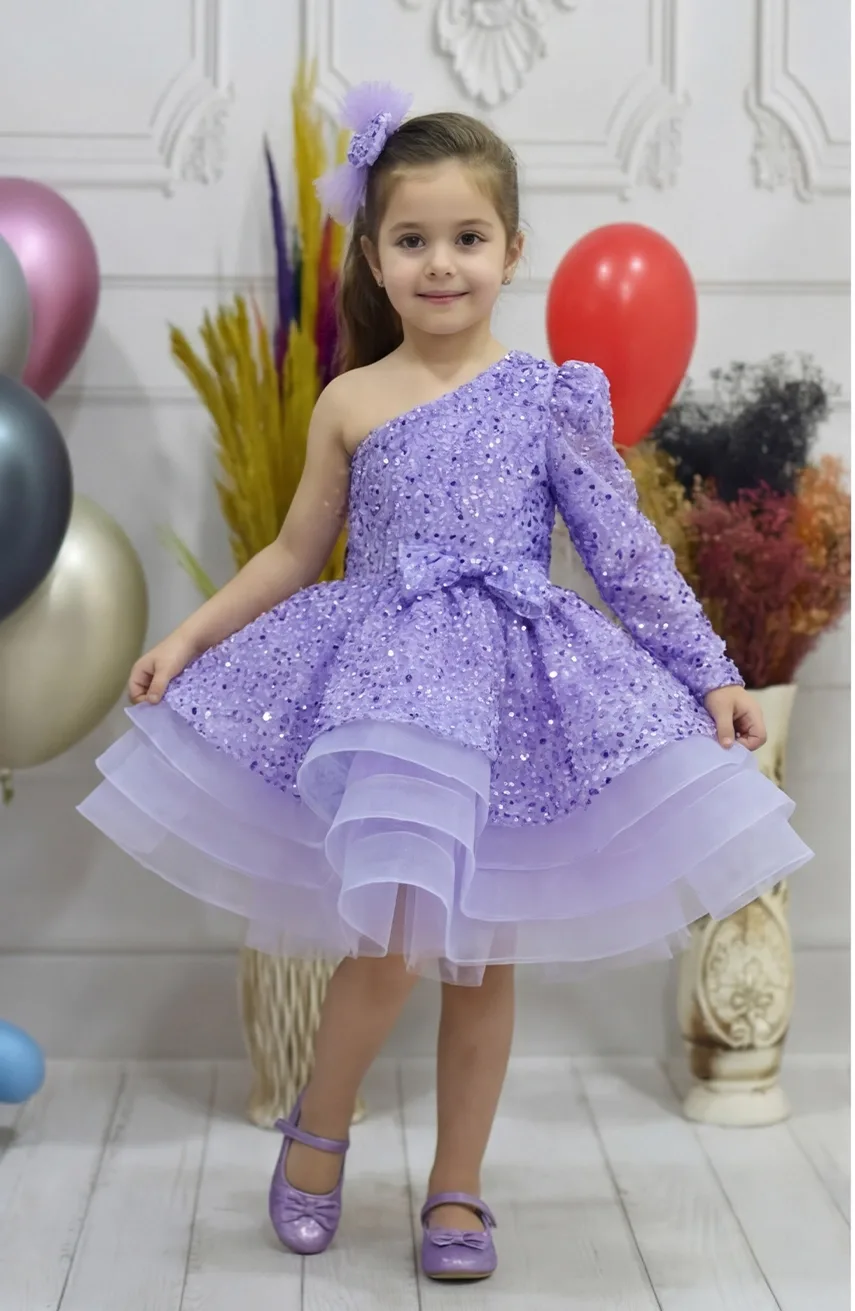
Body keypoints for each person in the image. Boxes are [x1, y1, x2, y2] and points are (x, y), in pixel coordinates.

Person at [78, 82, 812, 1283]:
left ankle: (457, 1190)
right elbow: (293, 553)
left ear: (512, 249)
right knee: (396, 941)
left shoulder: (548, 398)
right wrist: (191, 639)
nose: (441, 264)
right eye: (412, 240)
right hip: (394, 692)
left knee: (485, 962)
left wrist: (711, 675)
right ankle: (317, 1130)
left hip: (513, 697)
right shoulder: (352, 400)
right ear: (374, 257)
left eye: (468, 237)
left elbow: (624, 555)